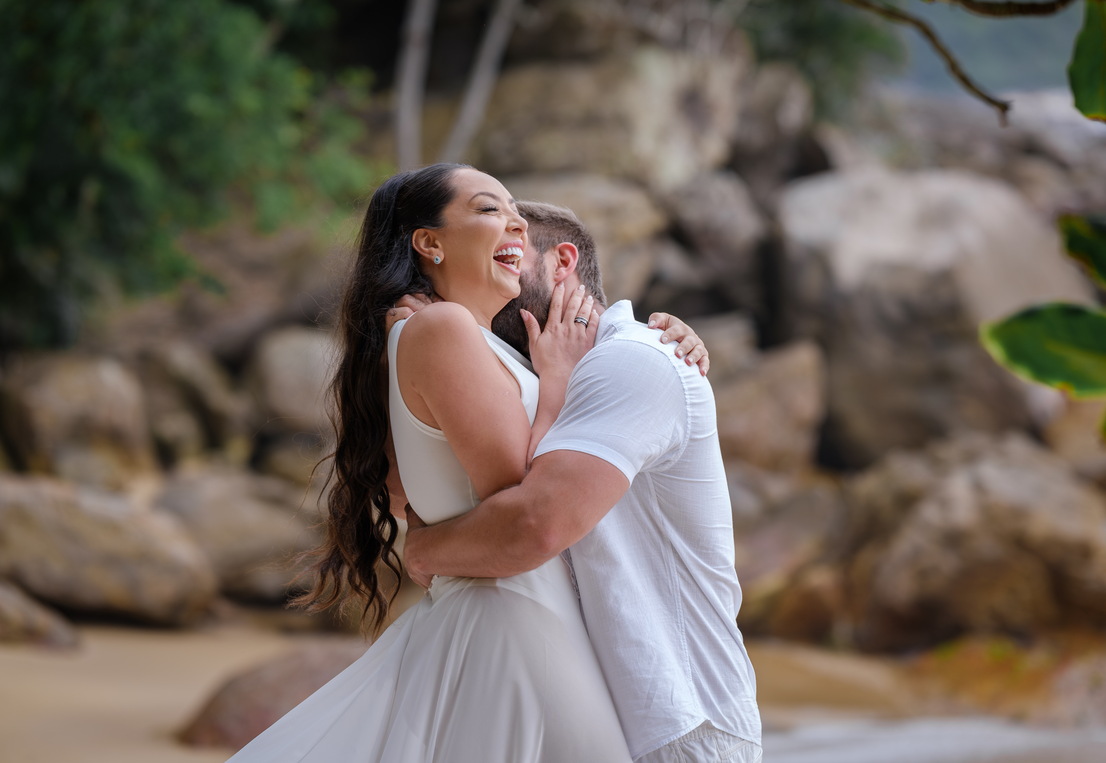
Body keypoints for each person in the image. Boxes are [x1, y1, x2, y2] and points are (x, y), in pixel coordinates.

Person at [226, 163, 709, 763]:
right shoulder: (443, 328)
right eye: (488, 209)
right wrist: (557, 381)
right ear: (429, 242)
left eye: (516, 213)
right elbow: (521, 493)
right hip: (515, 613)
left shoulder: (453, 337)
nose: (514, 223)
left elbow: (408, 490)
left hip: (515, 608)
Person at [402, 201, 763, 763]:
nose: (491, 277)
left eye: (509, 258)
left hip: (679, 724)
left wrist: (421, 552)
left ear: (562, 262)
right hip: (585, 714)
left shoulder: (634, 360)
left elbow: (535, 524)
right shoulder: (527, 379)